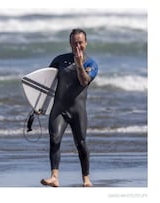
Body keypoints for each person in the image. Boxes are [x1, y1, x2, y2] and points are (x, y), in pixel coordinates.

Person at [40, 28, 98, 187]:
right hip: (59, 109)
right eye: (74, 43)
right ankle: (54, 177)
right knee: (54, 139)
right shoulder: (59, 60)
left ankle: (86, 179)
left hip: (77, 111)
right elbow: (47, 83)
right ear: (70, 43)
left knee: (81, 143)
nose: (77, 46)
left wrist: (79, 64)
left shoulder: (91, 64)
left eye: (80, 42)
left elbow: (84, 81)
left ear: (86, 43)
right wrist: (39, 106)